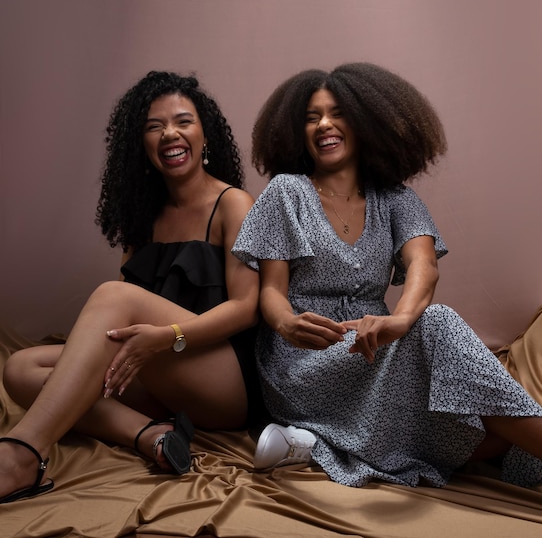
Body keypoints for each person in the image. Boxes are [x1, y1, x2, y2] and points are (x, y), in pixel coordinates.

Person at [232, 62, 542, 489]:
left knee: (469, 408)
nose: (324, 124)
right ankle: (313, 433)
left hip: (371, 348)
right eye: (311, 117)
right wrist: (286, 323)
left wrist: (399, 321)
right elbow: (271, 291)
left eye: (338, 113)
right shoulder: (288, 192)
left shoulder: (395, 198)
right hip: (303, 360)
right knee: (439, 328)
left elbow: (423, 266)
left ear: (366, 122)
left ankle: (312, 443)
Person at [0, 71, 260, 504]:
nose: (169, 134)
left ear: (205, 135)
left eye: (182, 122)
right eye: (153, 127)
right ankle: (149, 436)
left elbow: (247, 308)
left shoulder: (233, 203)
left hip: (227, 381)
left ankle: (22, 456)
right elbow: (116, 324)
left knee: (112, 296)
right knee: (21, 369)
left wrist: (165, 338)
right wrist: (137, 351)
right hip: (159, 372)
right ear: (140, 145)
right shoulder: (146, 217)